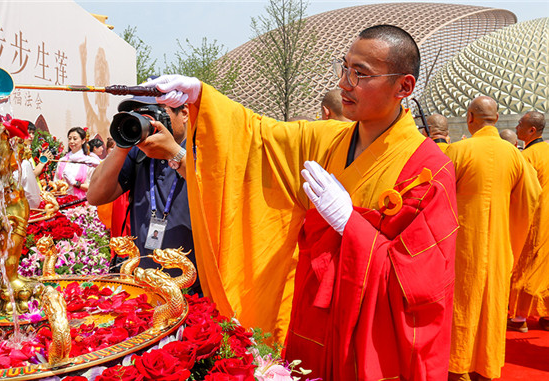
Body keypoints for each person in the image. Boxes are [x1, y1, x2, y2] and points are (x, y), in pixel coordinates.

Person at [141, 24, 458, 380]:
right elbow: (258, 137)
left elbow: (422, 284)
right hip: (311, 317)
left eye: (361, 74)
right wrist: (203, 97)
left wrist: (348, 224)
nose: (344, 84)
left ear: (404, 87)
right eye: (345, 67)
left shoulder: (428, 167)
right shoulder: (327, 139)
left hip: (369, 336)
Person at [445, 97, 541, 381]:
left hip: (462, 245)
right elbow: (531, 197)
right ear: (496, 120)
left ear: (470, 118)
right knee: (492, 305)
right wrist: (511, 234)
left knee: (462, 305)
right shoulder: (514, 155)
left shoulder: (457, 150)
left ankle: (458, 367)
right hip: (499, 245)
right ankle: (486, 366)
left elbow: (437, 199)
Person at [87, 96, 201, 295]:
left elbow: (212, 191)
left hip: (196, 287)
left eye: (155, 112)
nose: (147, 120)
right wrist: (124, 143)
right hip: (146, 283)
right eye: (140, 114)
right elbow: (95, 195)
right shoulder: (139, 154)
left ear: (183, 113)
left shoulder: (202, 149)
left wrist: (172, 153)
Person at [509, 111, 549, 331]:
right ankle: (546, 315)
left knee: (524, 267)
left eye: (520, 124)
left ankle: (519, 318)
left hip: (535, 220)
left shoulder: (527, 157)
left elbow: (522, 193)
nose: (517, 127)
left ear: (532, 130)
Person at [54, 127, 98, 197]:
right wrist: (61, 184)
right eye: (69, 138)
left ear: (83, 141)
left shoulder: (89, 162)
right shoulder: (62, 161)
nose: (71, 141)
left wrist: (74, 183)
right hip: (63, 201)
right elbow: (55, 184)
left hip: (82, 202)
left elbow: (93, 187)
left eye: (75, 139)